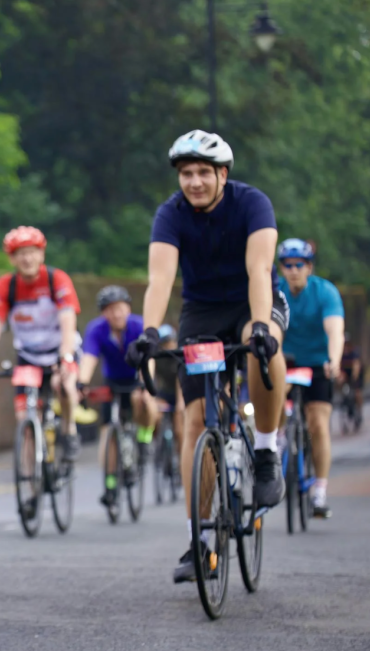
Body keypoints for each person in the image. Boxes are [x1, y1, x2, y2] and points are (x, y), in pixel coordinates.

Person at [124, 129, 289, 584]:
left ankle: (266, 449)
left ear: (222, 174)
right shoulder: (171, 214)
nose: (193, 182)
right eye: (186, 174)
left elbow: (259, 269)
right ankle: (199, 539)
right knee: (194, 421)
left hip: (253, 299)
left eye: (202, 173)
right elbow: (160, 279)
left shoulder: (252, 203)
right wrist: (150, 332)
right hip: (201, 311)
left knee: (262, 348)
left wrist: (259, 326)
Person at [0, 226, 83, 463]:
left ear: (41, 254)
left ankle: (69, 429)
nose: (27, 258)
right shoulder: (6, 286)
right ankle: (30, 480)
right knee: (24, 415)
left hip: (59, 351)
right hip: (29, 356)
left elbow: (68, 321)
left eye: (32, 252)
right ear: (12, 258)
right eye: (20, 253)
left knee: (64, 385)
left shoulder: (57, 279)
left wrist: (66, 356)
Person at [276, 238, 344, 519]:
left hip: (318, 363)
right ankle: (278, 439)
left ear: (309, 267)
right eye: (287, 265)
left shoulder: (325, 292)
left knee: (318, 422)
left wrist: (334, 360)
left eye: (299, 265)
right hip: (286, 361)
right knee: (272, 401)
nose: (293, 271)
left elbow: (335, 330)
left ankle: (320, 490)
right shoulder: (275, 291)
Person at [77, 285, 160, 509]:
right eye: (110, 309)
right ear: (103, 313)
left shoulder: (138, 325)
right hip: (112, 382)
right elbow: (89, 357)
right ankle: (111, 484)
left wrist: (145, 383)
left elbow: (148, 359)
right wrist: (82, 382)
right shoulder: (97, 329)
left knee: (142, 401)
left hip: (137, 377)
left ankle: (144, 438)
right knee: (107, 433)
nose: (116, 314)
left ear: (128, 308)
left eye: (120, 308)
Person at [154, 325, 185, 456]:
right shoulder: (157, 357)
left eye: (171, 341)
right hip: (164, 392)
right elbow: (154, 378)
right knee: (156, 416)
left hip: (180, 393)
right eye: (165, 342)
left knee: (180, 429)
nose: (169, 345)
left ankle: (180, 457)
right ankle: (155, 444)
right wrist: (155, 399)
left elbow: (180, 380)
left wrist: (180, 403)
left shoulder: (180, 356)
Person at [339, 333, 364, 420]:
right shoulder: (340, 353)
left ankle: (359, 409)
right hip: (345, 372)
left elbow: (356, 365)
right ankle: (345, 399)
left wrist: (354, 377)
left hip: (356, 372)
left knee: (357, 392)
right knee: (343, 387)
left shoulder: (354, 352)